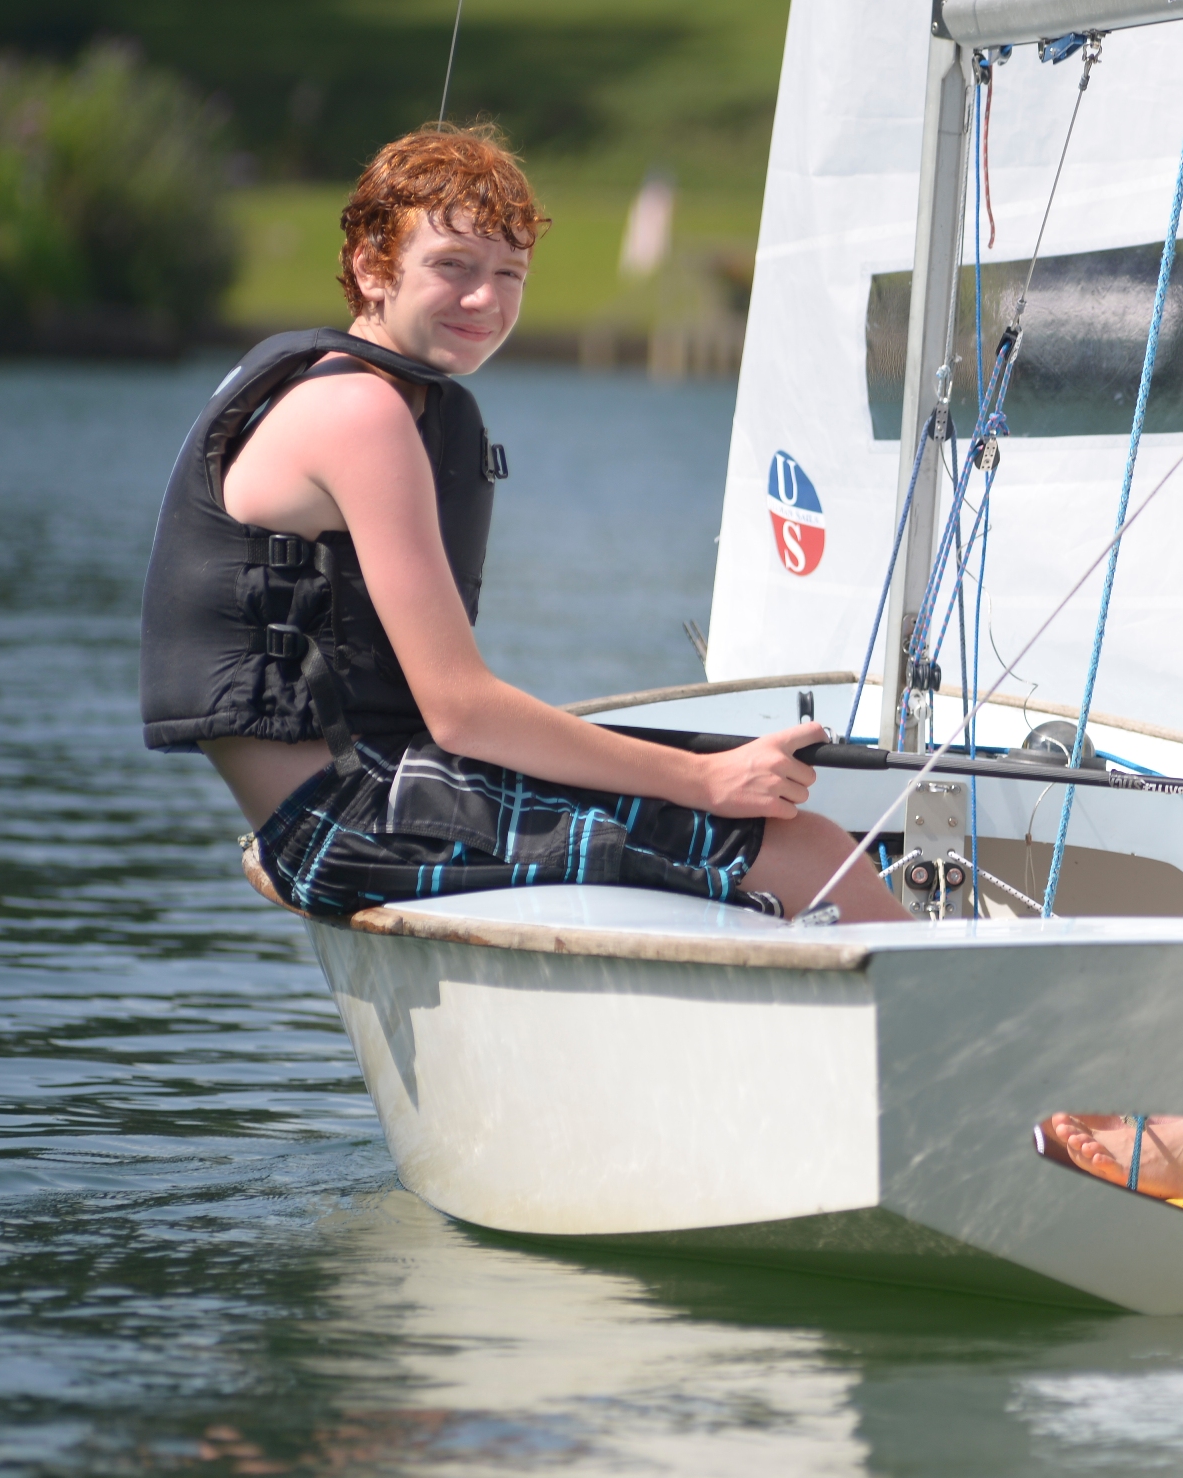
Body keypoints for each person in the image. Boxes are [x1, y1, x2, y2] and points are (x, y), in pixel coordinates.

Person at [140, 123, 897, 924]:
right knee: (805, 848)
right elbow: (461, 710)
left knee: (793, 822)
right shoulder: (359, 410)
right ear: (371, 268)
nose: (486, 299)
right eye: (453, 267)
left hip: (372, 793)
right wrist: (704, 779)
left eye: (511, 273)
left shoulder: (352, 388)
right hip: (345, 823)